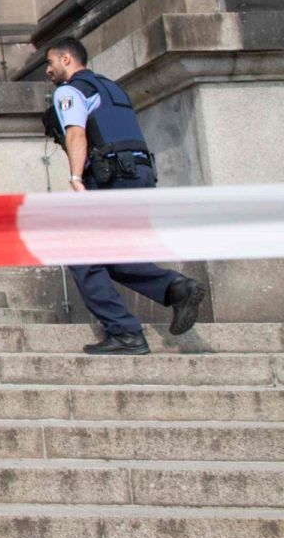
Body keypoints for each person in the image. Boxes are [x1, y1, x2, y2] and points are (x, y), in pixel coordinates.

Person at [43, 36, 206, 355]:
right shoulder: (112, 88)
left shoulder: (69, 90)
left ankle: (125, 332)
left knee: (80, 254)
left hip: (111, 177)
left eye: (49, 62)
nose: (47, 70)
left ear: (66, 60)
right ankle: (175, 289)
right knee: (113, 255)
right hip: (140, 174)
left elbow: (76, 132)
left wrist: (76, 178)